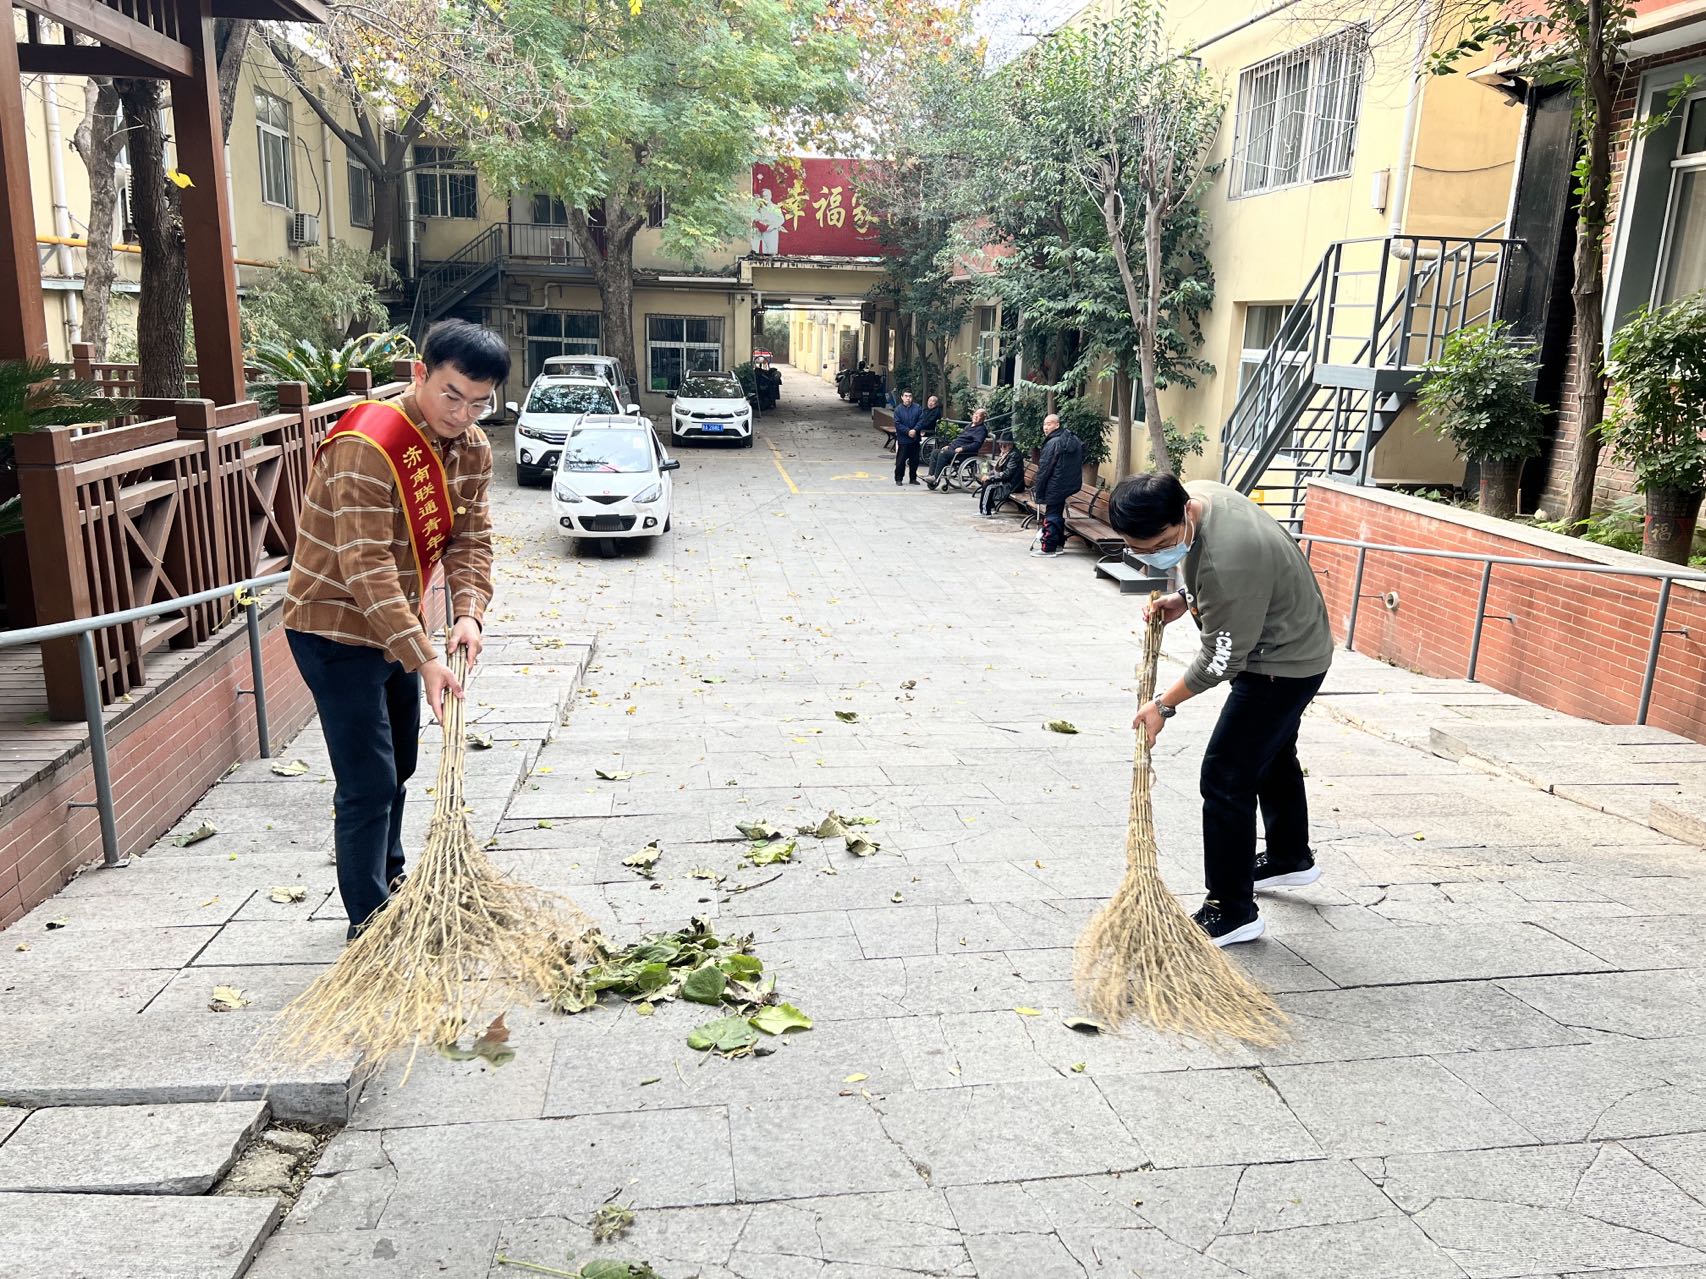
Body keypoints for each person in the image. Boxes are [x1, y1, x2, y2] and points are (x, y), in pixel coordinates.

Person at [283, 318, 507, 940]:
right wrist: (423, 655)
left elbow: (471, 539)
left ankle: (392, 878)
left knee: (400, 763)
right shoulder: (368, 443)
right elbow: (365, 565)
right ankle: (368, 922)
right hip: (333, 630)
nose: (463, 413)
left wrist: (467, 613)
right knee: (368, 780)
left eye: (479, 402)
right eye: (452, 394)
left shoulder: (473, 449)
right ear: (419, 375)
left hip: (399, 630)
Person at [1111, 472, 1335, 948]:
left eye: (1163, 545)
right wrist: (1184, 598)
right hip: (1298, 642)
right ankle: (1289, 857)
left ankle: (1231, 910)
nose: (1155, 556)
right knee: (1271, 754)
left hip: (1281, 665)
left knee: (1226, 777)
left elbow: (1221, 658)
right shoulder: (1201, 492)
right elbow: (1210, 576)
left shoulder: (1230, 559)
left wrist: (1162, 706)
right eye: (1142, 550)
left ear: (1184, 513)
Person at [1030, 413, 1082, 556]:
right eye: (1044, 424)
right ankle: (1058, 544)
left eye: (1049, 424)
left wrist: (1039, 488)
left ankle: (1049, 548)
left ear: (1057, 425)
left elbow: (1045, 468)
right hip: (1065, 484)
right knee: (1057, 513)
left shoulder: (1054, 442)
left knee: (1052, 515)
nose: (1045, 428)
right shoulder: (1070, 439)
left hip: (1055, 484)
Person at [925, 408, 989, 488]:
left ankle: (935, 478)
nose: (975, 416)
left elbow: (977, 444)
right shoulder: (969, 425)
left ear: (982, 418)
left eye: (978, 415)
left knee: (943, 454)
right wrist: (949, 445)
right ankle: (931, 476)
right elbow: (960, 439)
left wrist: (963, 448)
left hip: (964, 453)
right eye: (975, 414)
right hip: (954, 449)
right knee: (935, 452)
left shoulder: (981, 430)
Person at [977, 435, 1026, 517]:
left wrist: (991, 478)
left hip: (1013, 484)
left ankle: (985, 512)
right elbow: (997, 470)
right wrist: (988, 474)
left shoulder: (1014, 455)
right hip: (1007, 481)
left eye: (1004, 445)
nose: (1002, 447)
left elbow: (1007, 474)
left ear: (1011, 445)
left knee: (988, 484)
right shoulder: (1005, 454)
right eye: (1000, 445)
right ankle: (991, 507)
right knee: (987, 481)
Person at [893, 390, 925, 485]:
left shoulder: (917, 408)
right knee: (901, 461)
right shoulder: (898, 409)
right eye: (906, 396)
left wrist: (915, 430)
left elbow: (921, 421)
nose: (908, 398)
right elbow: (897, 423)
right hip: (903, 439)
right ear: (902, 397)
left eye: (910, 396)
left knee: (914, 460)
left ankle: (913, 478)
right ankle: (899, 478)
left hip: (915, 439)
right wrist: (908, 431)